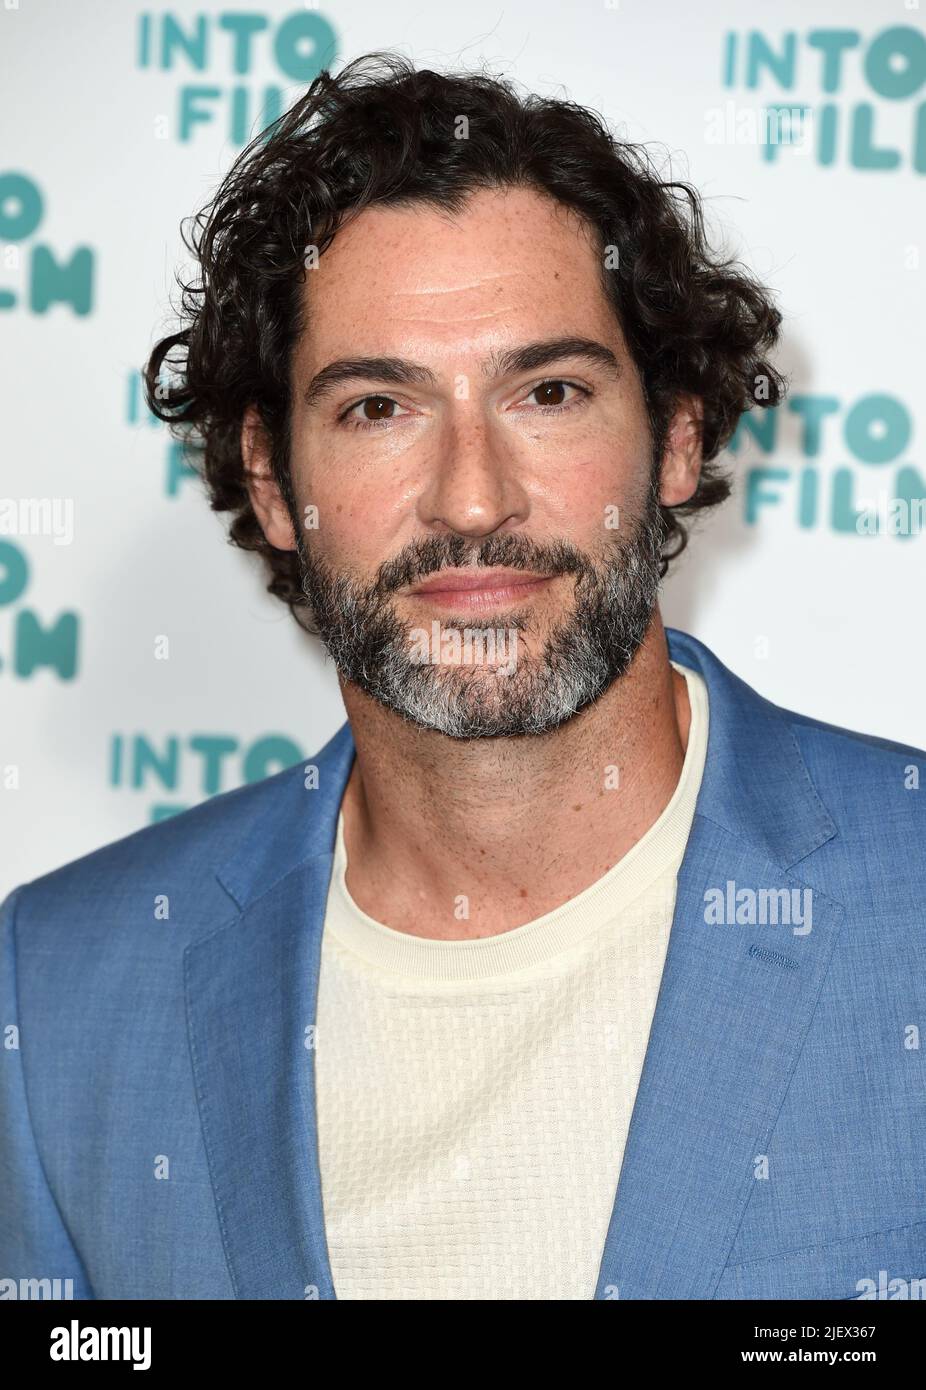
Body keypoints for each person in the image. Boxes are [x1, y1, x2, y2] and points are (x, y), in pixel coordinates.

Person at [2, 53, 924, 1302]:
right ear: (275, 486)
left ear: (677, 438)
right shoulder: (57, 993)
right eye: (379, 407)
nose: (472, 497)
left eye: (547, 392)